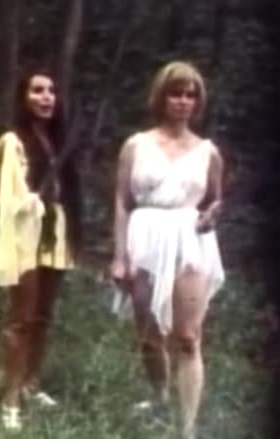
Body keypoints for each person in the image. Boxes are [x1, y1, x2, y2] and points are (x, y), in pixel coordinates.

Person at [110, 60, 225, 439]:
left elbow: (214, 199)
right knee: (149, 334)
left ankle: (186, 430)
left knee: (188, 337)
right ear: (161, 97)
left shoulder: (208, 151)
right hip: (145, 236)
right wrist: (119, 256)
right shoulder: (137, 145)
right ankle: (160, 395)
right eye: (176, 93)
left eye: (190, 95)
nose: (183, 101)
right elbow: (122, 200)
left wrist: (211, 214)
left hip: (190, 240)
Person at [0, 68, 82, 430]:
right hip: (24, 231)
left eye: (51, 91)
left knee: (43, 316)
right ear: (23, 98)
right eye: (38, 90)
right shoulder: (11, 142)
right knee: (21, 318)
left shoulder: (58, 141)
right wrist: (21, 203)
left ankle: (31, 382)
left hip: (55, 229)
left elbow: (67, 193)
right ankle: (9, 398)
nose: (46, 97)